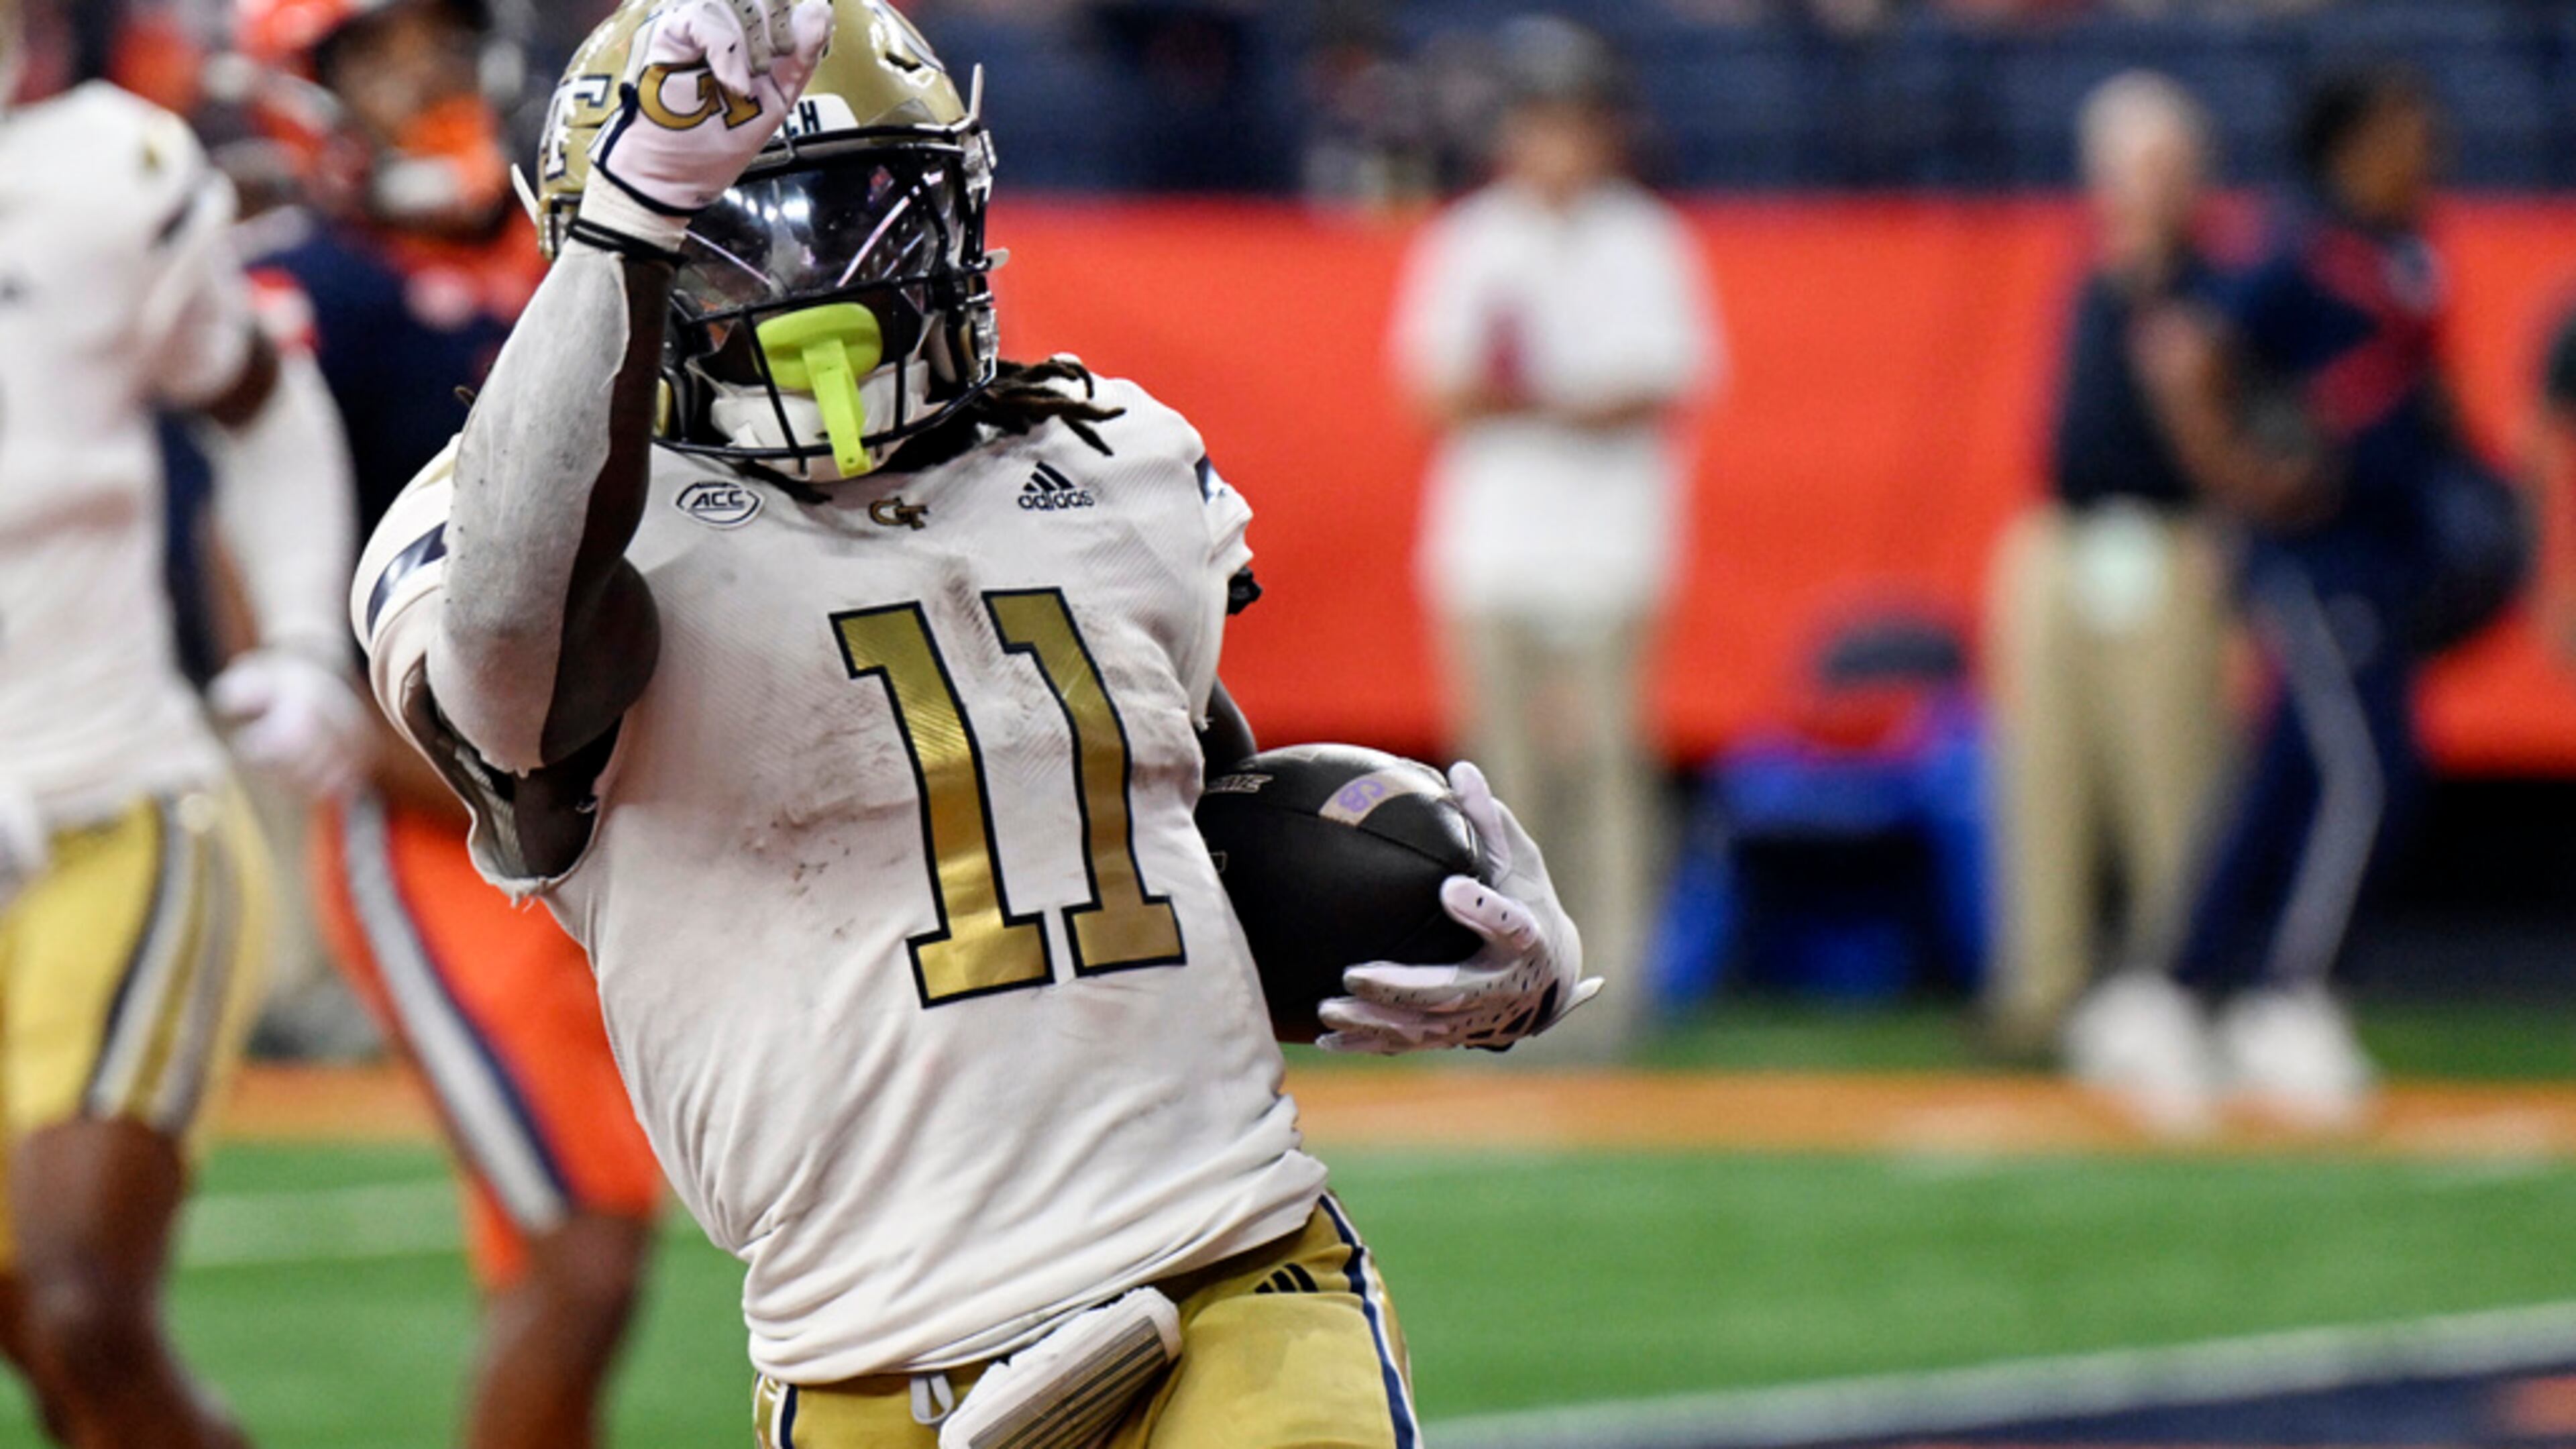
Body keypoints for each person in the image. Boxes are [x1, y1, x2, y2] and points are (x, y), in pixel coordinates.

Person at [352, 1, 1597, 1444]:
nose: (809, 276)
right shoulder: (514, 533)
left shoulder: (1113, 460)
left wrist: (1468, 931)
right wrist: (633, 224)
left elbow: (1189, 822)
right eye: (735, 225)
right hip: (869, 1360)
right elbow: (510, 665)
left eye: (855, 211)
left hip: (1228, 1265)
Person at [230, 3, 665, 1445]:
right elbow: (242, 515)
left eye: (438, 32)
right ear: (311, 94)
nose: (422, 73)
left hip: (609, 805)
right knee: (581, 1246)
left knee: (588, 1244)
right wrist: (331, 711)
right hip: (434, 823)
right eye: (377, 49)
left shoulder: (558, 265)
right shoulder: (305, 288)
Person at [0, 1, 368, 1440]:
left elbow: (260, 403)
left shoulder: (108, 176)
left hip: (118, 809)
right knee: (37, 1329)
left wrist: (297, 641)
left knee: (88, 1302)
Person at [2123, 66, 2467, 1130]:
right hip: (2314, 556)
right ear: (2355, 141)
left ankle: (2171, 991)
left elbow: (2416, 399)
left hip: (2383, 550)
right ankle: (2291, 994)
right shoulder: (2298, 246)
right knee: (2368, 771)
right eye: (2411, 128)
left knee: (2284, 779)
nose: (2431, 149)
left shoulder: (2407, 253)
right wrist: (2238, 479)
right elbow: (2183, 355)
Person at [1389, 15, 1716, 1057]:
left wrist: (1535, 396)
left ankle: (1612, 1001)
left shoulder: (1645, 238)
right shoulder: (1471, 238)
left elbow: (1664, 383)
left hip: (1613, 551)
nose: (1556, 147)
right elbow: (1433, 391)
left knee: (1611, 778)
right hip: (1495, 550)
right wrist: (1559, 397)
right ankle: (1503, 997)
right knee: (1499, 792)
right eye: (1540, 125)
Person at [1985, 74, 2235, 1085]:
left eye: (2158, 167)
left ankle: (2177, 984)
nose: (2137, 188)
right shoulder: (2090, 280)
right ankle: (2040, 990)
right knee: (2042, 778)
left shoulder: (2218, 290)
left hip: (2169, 546)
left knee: (2171, 777)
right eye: (2123, 167)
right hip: (2065, 541)